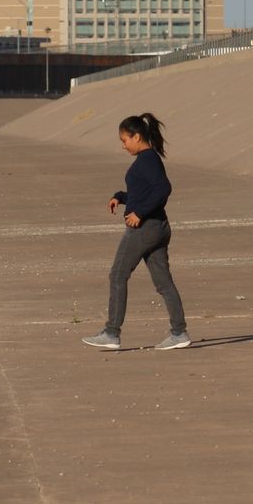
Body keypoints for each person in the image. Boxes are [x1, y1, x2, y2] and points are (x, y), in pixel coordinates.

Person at [83, 113, 191, 351]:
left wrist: (139, 213)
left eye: (125, 140)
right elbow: (144, 192)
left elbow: (163, 189)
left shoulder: (146, 160)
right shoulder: (149, 159)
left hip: (144, 229)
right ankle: (179, 333)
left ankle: (112, 332)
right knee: (163, 283)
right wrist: (120, 197)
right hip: (159, 228)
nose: (123, 145)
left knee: (118, 275)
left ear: (137, 136)